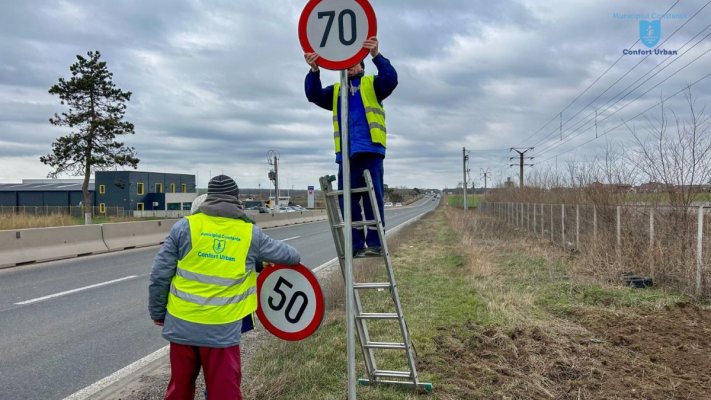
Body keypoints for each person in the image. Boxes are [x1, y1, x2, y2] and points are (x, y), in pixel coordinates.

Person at [149, 174, 301, 400]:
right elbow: (291, 256)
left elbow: (159, 275)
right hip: (221, 330)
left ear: (208, 197)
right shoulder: (249, 233)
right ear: (236, 198)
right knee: (224, 393)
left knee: (179, 390)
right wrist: (257, 260)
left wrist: (159, 312)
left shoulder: (184, 227)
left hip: (181, 325)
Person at [304, 36, 398, 257]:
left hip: (370, 150)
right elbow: (313, 95)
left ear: (362, 66)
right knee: (347, 200)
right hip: (346, 154)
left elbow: (391, 79)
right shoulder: (337, 91)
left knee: (372, 197)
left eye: (355, 62)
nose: (350, 66)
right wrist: (314, 70)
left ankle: (375, 243)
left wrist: (376, 54)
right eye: (347, 64)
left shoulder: (372, 84)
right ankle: (355, 245)